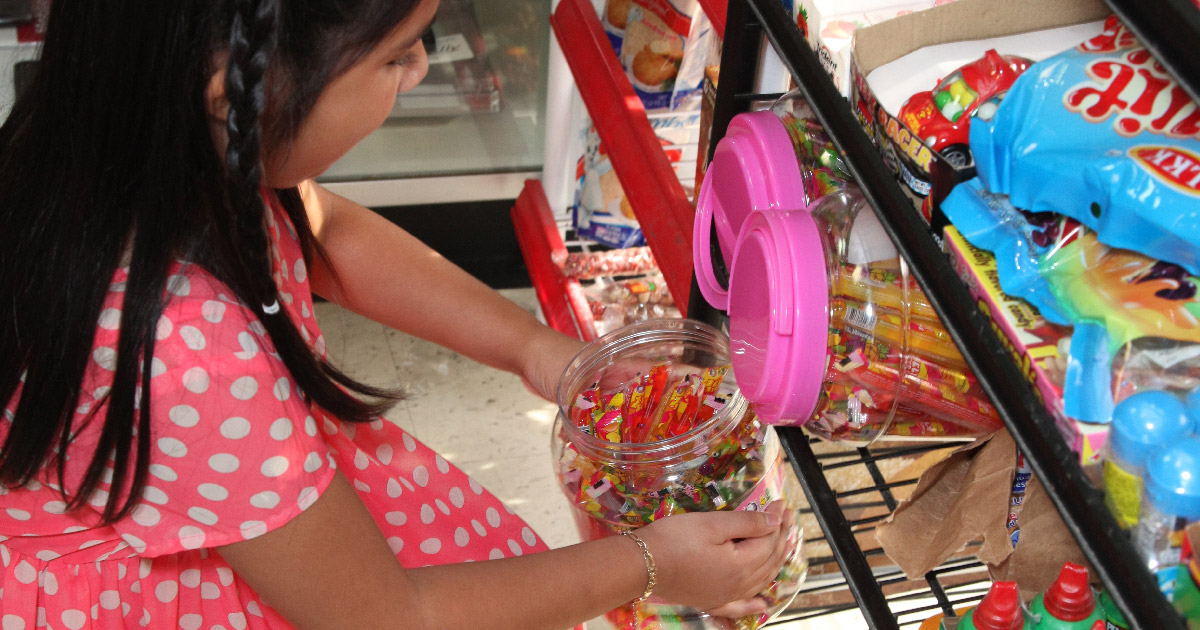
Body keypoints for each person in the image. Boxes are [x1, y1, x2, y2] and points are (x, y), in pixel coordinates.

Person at [0, 1, 794, 629]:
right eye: (394, 53)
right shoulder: (190, 351)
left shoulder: (118, 145)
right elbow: (386, 616)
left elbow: (321, 230)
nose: (418, 68)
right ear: (236, 91)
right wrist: (651, 563)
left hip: (262, 513)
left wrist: (533, 348)